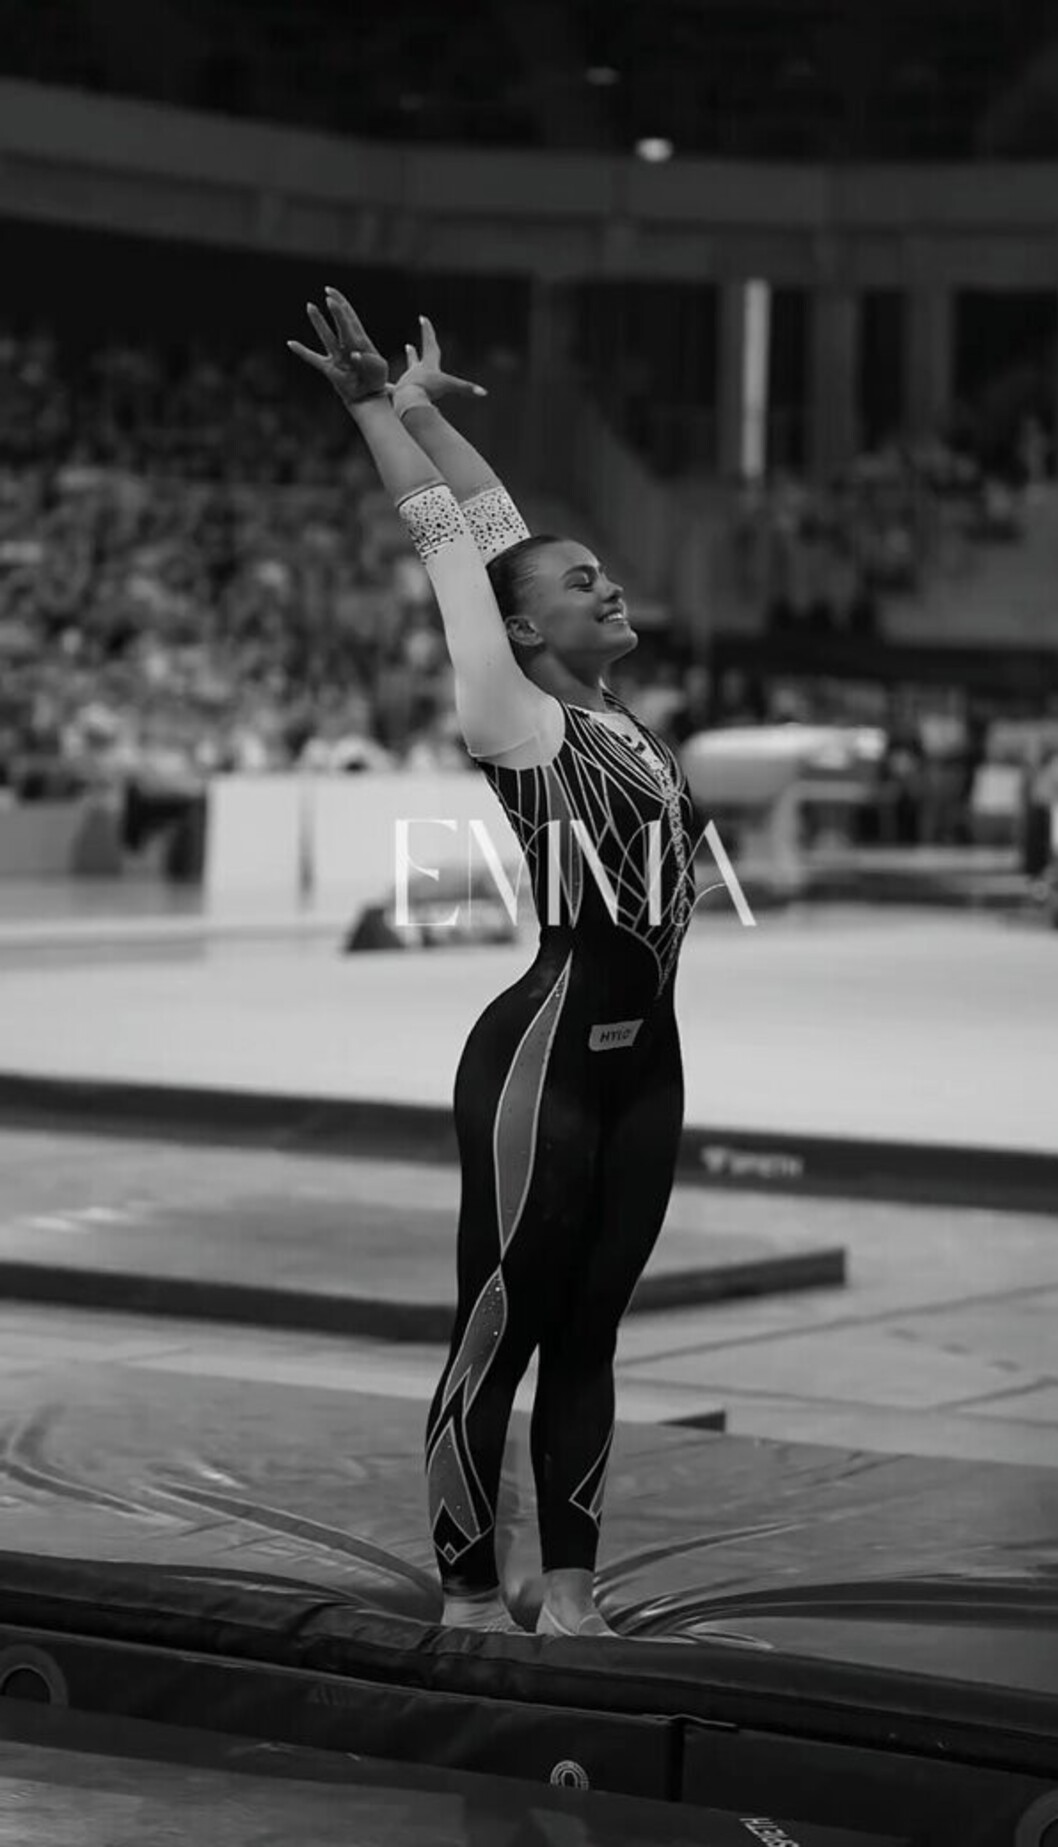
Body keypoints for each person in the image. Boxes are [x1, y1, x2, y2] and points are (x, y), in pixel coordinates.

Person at [289, 292, 701, 1639]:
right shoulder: (514, 715)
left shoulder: (610, 716)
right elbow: (456, 544)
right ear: (520, 635)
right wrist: (375, 411)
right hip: (544, 1064)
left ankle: (569, 1590)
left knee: (591, 1332)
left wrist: (426, 407)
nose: (606, 584)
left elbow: (499, 525)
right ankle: (469, 1592)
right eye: (580, 584)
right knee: (503, 1330)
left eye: (602, 572)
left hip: (648, 1068)